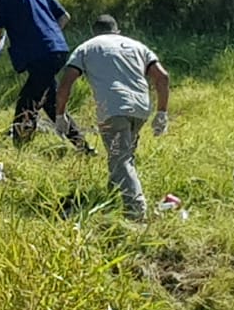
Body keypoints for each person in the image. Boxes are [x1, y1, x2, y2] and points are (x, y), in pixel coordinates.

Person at [54, 15, 170, 221]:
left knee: (121, 158)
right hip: (141, 109)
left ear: (95, 32)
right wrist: (162, 112)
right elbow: (162, 77)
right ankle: (112, 197)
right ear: (117, 31)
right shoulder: (137, 46)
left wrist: (60, 114)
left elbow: (65, 83)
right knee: (123, 154)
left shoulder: (87, 47)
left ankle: (136, 212)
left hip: (113, 110)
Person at [0, 0, 90, 151]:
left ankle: (20, 149)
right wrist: (49, 34)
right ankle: (83, 147)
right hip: (58, 48)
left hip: (40, 55)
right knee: (49, 101)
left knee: (27, 102)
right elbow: (64, 16)